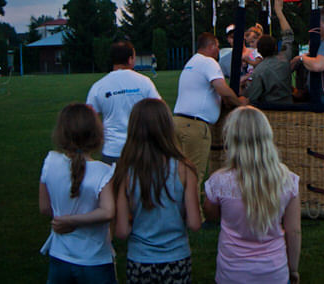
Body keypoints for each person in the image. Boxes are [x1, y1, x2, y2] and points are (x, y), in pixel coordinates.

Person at [203, 106, 301, 284]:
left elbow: (211, 215)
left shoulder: (219, 182)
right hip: (274, 272)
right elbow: (294, 231)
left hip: (232, 273)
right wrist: (293, 269)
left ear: (232, 138)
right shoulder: (287, 180)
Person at [114, 98, 201, 284]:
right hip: (177, 259)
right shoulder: (185, 169)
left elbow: (121, 231)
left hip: (140, 260)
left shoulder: (124, 171)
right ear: (168, 128)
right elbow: (194, 223)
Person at [38, 103, 116, 284]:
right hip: (95, 260)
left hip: (60, 256)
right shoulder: (103, 172)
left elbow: (44, 207)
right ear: (96, 134)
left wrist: (66, 220)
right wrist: (74, 221)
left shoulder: (51, 161)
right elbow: (108, 212)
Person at [173, 32, 246, 203]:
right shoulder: (209, 62)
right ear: (211, 46)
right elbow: (221, 88)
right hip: (195, 126)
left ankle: (178, 209)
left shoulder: (192, 62)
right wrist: (239, 102)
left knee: (180, 171)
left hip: (177, 122)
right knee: (194, 173)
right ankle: (195, 215)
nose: (218, 50)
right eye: (217, 46)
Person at [86, 40, 161, 164]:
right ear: (130, 59)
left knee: (113, 183)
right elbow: (159, 110)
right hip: (140, 149)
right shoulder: (144, 82)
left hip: (112, 151)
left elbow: (88, 118)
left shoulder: (98, 86)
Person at [243, 0, 295, 105]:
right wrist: (279, 11)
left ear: (259, 51)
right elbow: (288, 35)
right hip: (289, 105)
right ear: (275, 47)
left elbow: (253, 97)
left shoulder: (259, 70)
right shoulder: (284, 58)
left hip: (270, 110)